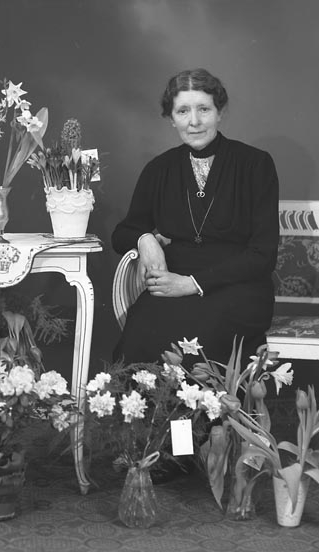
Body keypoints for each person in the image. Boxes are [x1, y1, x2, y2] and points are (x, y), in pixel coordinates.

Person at [112, 68, 279, 368]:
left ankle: (210, 404)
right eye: (183, 111)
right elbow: (123, 233)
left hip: (239, 289)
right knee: (140, 333)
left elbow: (263, 255)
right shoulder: (159, 169)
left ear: (220, 112)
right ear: (171, 118)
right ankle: (148, 403)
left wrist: (192, 284)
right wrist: (145, 239)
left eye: (204, 109)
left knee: (201, 335)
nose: (194, 121)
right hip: (172, 286)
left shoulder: (255, 164)